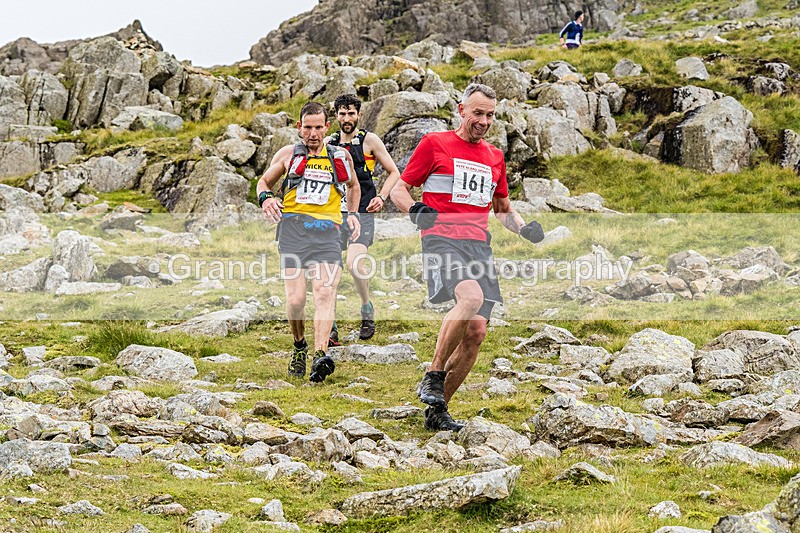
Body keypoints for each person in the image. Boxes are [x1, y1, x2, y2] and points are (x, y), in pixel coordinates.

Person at [390, 83, 545, 432]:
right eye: (478, 113)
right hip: (441, 239)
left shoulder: (494, 157)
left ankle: (437, 410)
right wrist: (415, 209)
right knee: (471, 298)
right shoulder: (435, 144)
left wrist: (524, 229)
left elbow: (503, 208)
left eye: (490, 115)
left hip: (479, 245)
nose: (484, 121)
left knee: (476, 332)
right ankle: (433, 374)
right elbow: (400, 188)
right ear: (462, 110)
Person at [256, 101, 361, 383]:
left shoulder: (340, 156)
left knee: (324, 292)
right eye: (307, 127)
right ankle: (300, 345)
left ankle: (320, 355)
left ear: (327, 127)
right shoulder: (288, 154)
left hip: (328, 232)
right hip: (293, 232)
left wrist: (352, 215)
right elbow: (263, 183)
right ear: (299, 127)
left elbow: (353, 186)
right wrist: (267, 200)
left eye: (318, 127)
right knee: (296, 300)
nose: (313, 134)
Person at [327, 93, 402, 342]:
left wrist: (382, 196)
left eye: (351, 113)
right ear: (336, 115)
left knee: (354, 264)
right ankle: (331, 323)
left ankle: (366, 307)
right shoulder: (329, 143)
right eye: (342, 113)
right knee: (330, 269)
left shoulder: (369, 140)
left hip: (363, 212)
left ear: (359, 114)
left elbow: (393, 172)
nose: (347, 118)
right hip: (334, 213)